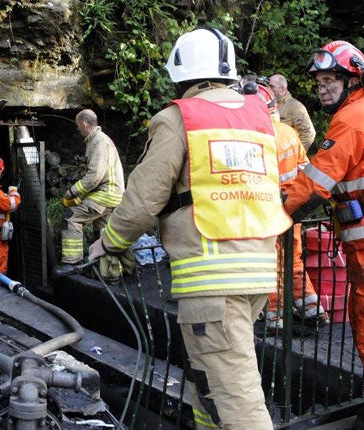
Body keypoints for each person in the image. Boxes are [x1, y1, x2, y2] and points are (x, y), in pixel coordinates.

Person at [89, 27, 291, 429]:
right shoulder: (259, 118)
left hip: (211, 277)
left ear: (180, 73)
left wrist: (109, 242)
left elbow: (145, 197)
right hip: (258, 270)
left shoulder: (179, 119)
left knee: (238, 399)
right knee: (208, 381)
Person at [282, 40, 364, 428]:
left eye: (331, 79)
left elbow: (315, 182)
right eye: (319, 81)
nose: (322, 88)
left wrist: (269, 212)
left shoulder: (352, 119)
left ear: (353, 78)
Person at [252, 84, 329, 332]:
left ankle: (275, 315)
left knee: (270, 261)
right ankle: (311, 308)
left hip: (266, 209)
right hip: (293, 206)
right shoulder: (288, 132)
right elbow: (305, 169)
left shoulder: (254, 136)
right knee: (293, 259)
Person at [55, 109, 125, 277]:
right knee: (104, 231)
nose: (77, 129)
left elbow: (95, 175)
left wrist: (73, 191)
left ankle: (72, 262)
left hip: (105, 194)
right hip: (112, 194)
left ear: (85, 125)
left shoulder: (98, 142)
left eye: (78, 126)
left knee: (71, 216)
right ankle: (110, 273)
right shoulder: (100, 140)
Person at [269, 73, 317, 150]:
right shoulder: (269, 104)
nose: (268, 89)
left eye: (272, 87)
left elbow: (309, 133)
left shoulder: (295, 107)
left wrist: (296, 155)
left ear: (282, 89)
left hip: (286, 156)